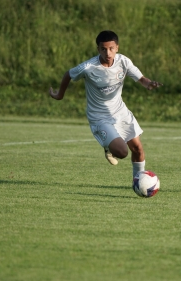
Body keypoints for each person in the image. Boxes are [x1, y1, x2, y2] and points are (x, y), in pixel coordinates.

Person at [49, 30, 162, 178]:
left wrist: (149, 84)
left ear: (117, 48)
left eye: (111, 48)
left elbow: (142, 79)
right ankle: (108, 146)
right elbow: (68, 74)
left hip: (120, 112)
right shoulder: (89, 67)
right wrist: (59, 95)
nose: (107, 53)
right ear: (98, 49)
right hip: (99, 117)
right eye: (103, 49)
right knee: (122, 152)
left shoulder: (123, 62)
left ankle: (138, 181)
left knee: (138, 149)